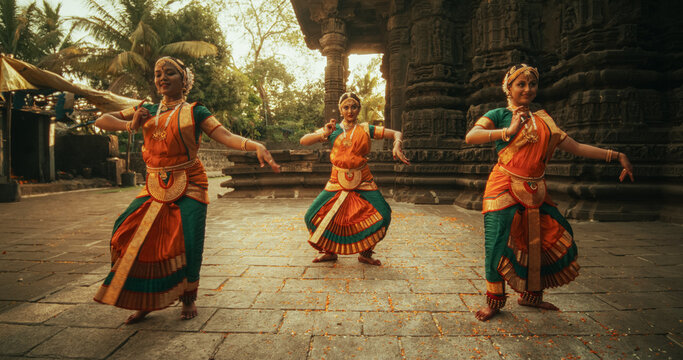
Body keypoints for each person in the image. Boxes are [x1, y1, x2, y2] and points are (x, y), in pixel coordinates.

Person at [93, 56, 280, 324]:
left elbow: (225, 136)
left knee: (189, 242)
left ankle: (189, 298)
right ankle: (146, 298)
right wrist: (130, 124)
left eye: (170, 73)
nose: (162, 78)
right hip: (154, 183)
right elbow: (102, 120)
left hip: (190, 181)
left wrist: (256, 145)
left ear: (184, 81)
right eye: (158, 74)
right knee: (127, 231)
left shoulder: (195, 111)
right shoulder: (144, 110)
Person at [465, 64, 634, 321]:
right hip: (503, 185)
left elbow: (575, 146)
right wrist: (508, 131)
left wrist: (616, 155)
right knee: (496, 243)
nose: (528, 89)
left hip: (536, 188)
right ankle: (494, 301)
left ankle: (532, 296)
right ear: (508, 88)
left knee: (544, 237)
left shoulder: (544, 119)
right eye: (521, 84)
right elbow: (472, 136)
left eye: (532, 84)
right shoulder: (499, 113)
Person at [300, 92, 410, 266]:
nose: (350, 110)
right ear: (340, 109)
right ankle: (329, 251)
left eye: (354, 107)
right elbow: (304, 141)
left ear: (359, 109)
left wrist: (397, 144)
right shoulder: (332, 129)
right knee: (311, 216)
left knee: (384, 214)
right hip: (337, 179)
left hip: (363, 178)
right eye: (346, 107)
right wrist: (323, 133)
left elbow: (397, 133)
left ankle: (365, 252)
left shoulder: (366, 129)